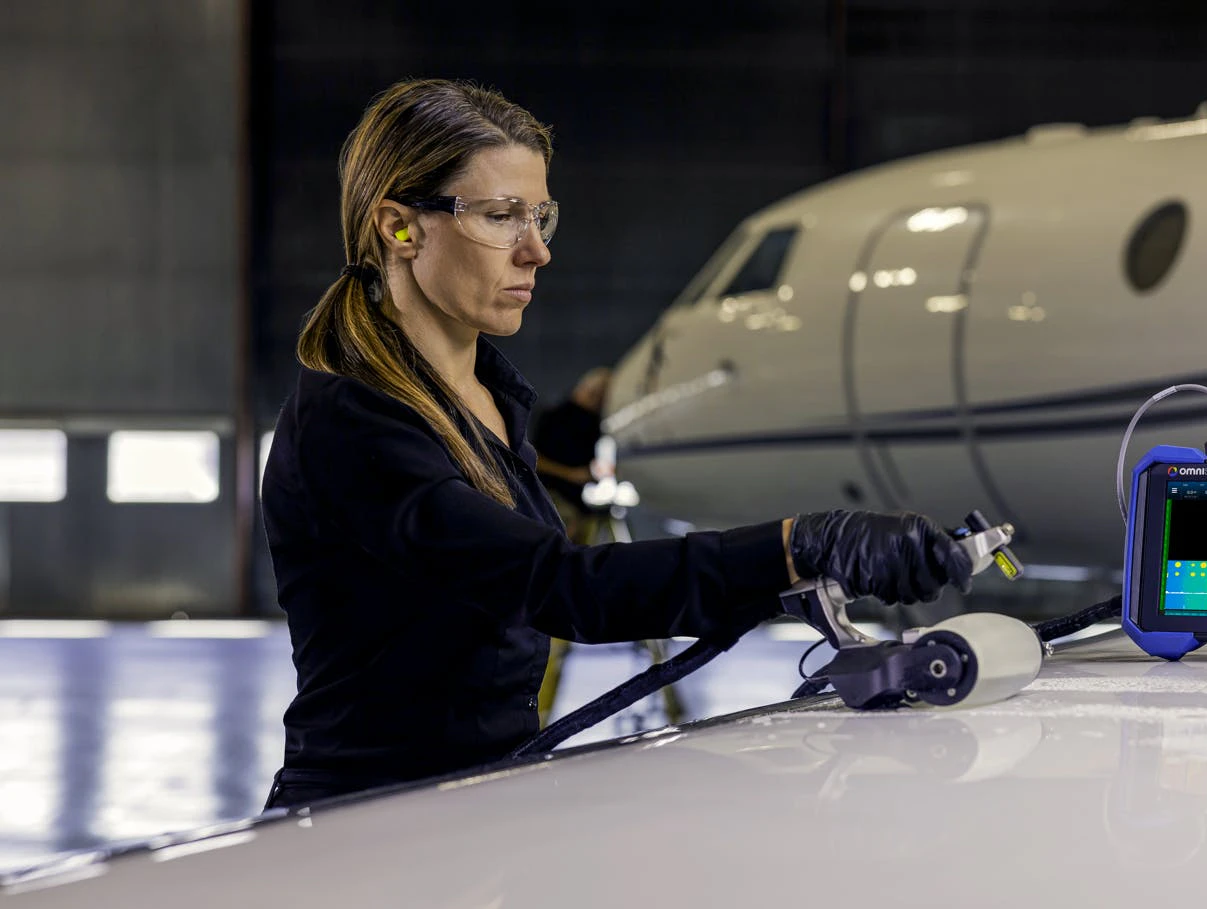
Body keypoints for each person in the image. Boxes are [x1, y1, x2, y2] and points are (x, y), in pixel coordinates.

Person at [259, 78, 972, 810]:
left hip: (465, 806)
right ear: (400, 228)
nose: (535, 250)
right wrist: (801, 545)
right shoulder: (352, 417)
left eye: (540, 216)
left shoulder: (486, 400)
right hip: (361, 820)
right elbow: (561, 587)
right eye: (502, 216)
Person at [530, 367, 612, 546]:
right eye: (596, 393)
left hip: (576, 505)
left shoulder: (594, 424)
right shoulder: (554, 417)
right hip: (555, 498)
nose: (598, 399)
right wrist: (571, 474)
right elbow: (533, 459)